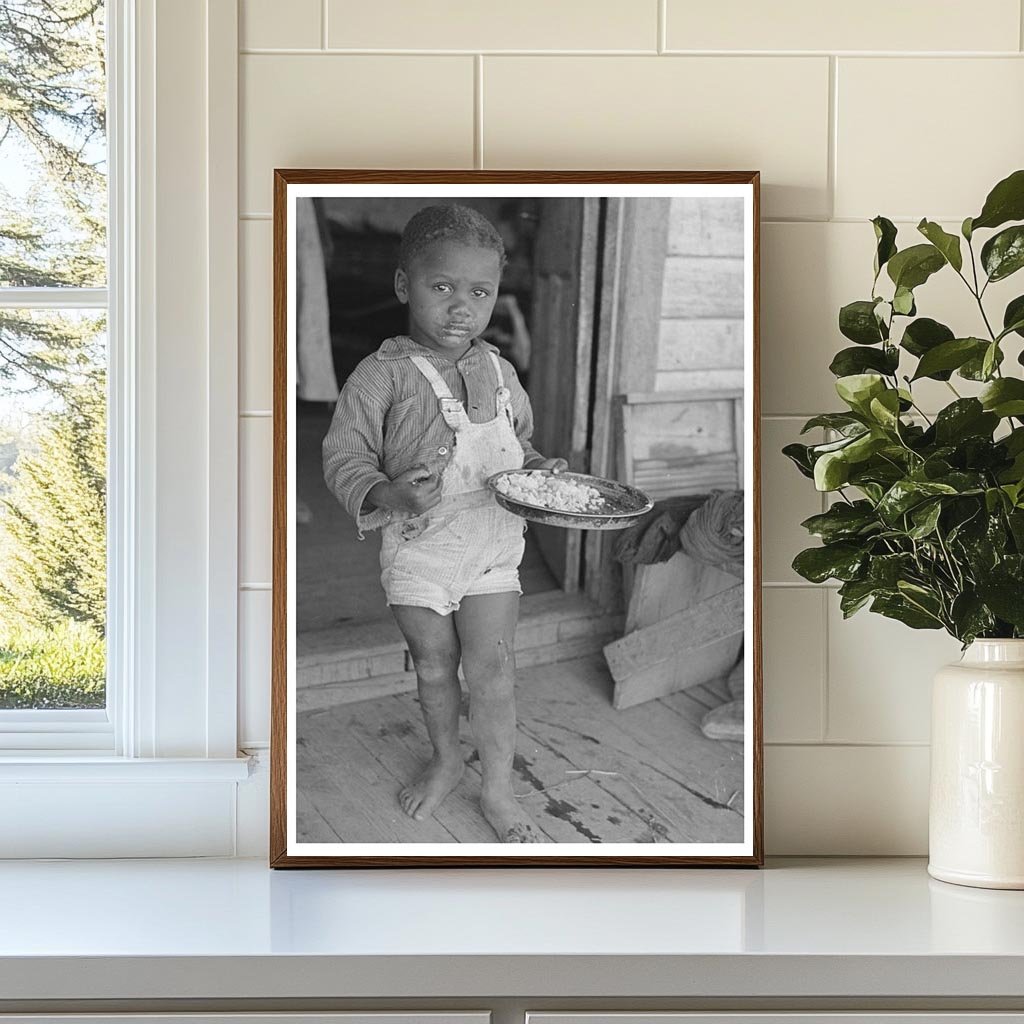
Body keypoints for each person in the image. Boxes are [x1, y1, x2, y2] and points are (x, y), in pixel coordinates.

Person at [322, 204, 567, 843]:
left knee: (493, 670)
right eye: (442, 288)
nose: (462, 307)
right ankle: (448, 758)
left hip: (490, 547)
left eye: (480, 292)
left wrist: (544, 471)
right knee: (434, 665)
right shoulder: (380, 376)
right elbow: (344, 458)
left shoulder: (502, 372)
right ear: (406, 287)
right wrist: (389, 493)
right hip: (419, 549)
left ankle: (497, 787)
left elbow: (521, 448)